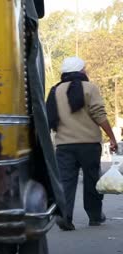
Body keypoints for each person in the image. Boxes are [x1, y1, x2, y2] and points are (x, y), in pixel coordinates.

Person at [46, 57, 118, 231]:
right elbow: (99, 114)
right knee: (92, 180)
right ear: (80, 72)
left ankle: (65, 215)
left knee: (65, 182)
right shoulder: (90, 88)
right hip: (89, 144)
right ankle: (95, 216)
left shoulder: (55, 90)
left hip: (63, 145)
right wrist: (112, 137)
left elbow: (48, 118)